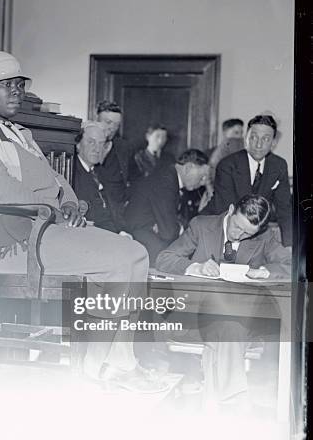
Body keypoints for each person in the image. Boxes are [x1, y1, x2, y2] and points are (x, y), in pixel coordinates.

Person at [0, 51, 155, 391]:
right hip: (18, 243)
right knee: (122, 259)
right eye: (6, 85)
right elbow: (5, 194)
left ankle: (120, 360)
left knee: (137, 252)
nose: (16, 91)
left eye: (19, 84)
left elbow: (55, 180)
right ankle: (94, 368)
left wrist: (72, 204)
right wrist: (58, 211)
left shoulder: (17, 132)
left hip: (46, 229)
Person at [154, 194, 291, 407]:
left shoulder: (264, 238)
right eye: (237, 226)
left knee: (229, 325)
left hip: (240, 321)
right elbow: (164, 258)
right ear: (230, 210)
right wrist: (195, 267)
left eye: (248, 233)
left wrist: (264, 272)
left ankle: (224, 400)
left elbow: (293, 264)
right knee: (228, 327)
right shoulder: (201, 226)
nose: (238, 235)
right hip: (197, 319)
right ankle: (232, 399)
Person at [203, 114, 292, 247]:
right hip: (216, 226)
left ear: (273, 143)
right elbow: (227, 210)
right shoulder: (228, 164)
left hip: (251, 230)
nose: (258, 144)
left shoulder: (279, 165)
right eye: (254, 137)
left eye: (266, 139)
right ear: (245, 139)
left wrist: (289, 247)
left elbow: (285, 209)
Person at [125, 149, 209, 265]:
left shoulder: (169, 176)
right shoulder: (166, 182)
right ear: (188, 168)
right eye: (202, 176)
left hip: (146, 235)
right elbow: (168, 231)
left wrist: (167, 226)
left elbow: (167, 226)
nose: (203, 182)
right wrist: (174, 226)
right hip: (139, 238)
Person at [72, 121, 131, 236]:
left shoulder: (102, 172)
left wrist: (121, 231)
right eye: (91, 142)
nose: (97, 149)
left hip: (111, 233)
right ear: (78, 144)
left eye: (101, 144)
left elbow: (114, 207)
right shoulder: (71, 172)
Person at [95, 101, 132, 206]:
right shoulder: (82, 145)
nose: (112, 128)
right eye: (108, 122)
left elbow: (134, 179)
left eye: (117, 124)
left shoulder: (124, 147)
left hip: (118, 209)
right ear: (96, 119)